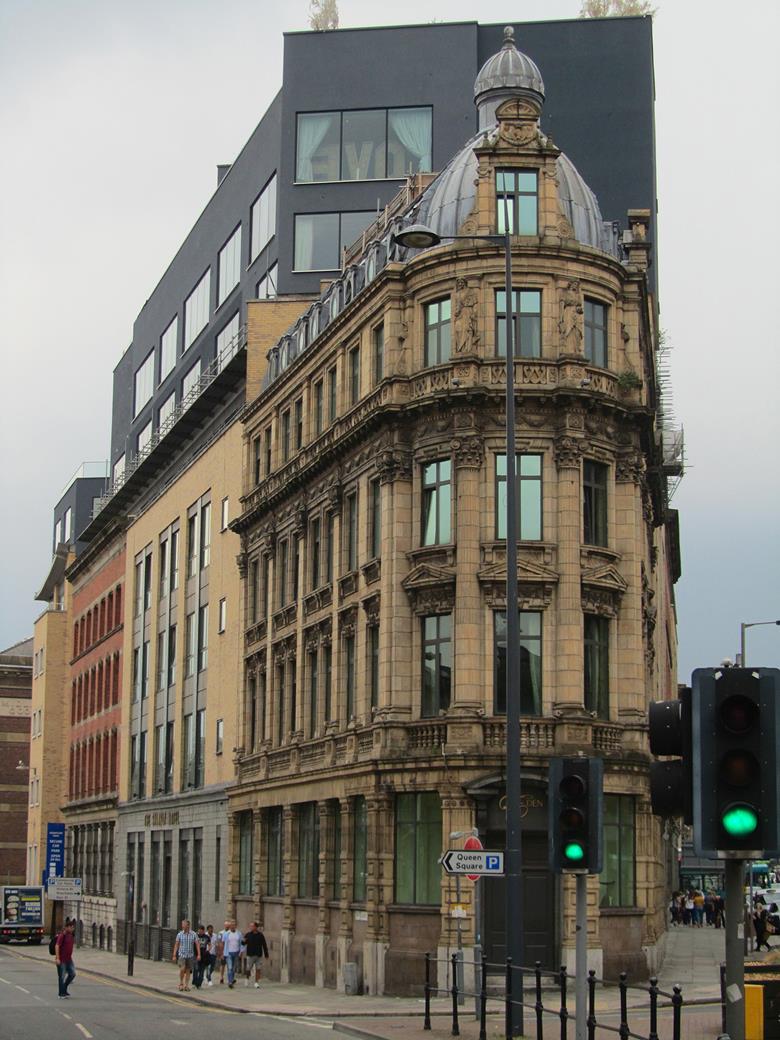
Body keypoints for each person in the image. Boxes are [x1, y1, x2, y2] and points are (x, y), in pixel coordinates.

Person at [172, 919, 200, 991]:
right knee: (182, 969)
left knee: (188, 970)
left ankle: (186, 985)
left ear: (188, 925)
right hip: (182, 955)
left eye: (184, 924)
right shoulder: (179, 934)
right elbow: (176, 945)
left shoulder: (194, 934)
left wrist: (199, 954)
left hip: (190, 955)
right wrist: (174, 955)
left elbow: (197, 944)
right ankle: (181, 983)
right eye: (182, 924)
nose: (182, 926)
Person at [55, 918, 76, 998]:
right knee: (62, 976)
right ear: (67, 927)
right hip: (62, 959)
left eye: (73, 927)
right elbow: (57, 946)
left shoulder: (71, 935)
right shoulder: (62, 935)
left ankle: (64, 988)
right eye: (71, 927)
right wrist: (57, 958)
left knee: (72, 974)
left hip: (69, 959)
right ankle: (61, 994)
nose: (72, 929)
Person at [244, 922, 269, 988]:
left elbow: (264, 945)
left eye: (252, 926)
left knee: (258, 969)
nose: (251, 927)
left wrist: (266, 954)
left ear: (255, 927)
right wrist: (243, 941)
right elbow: (243, 943)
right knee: (248, 968)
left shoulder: (260, 935)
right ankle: (247, 979)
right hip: (250, 954)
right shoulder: (248, 935)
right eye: (250, 926)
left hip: (258, 955)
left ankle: (256, 982)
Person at [222, 920, 243, 988]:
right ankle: (230, 982)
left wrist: (241, 952)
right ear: (229, 926)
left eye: (234, 925)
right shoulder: (226, 934)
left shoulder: (239, 934)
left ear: (236, 926)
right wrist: (222, 953)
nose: (232, 926)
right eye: (231, 925)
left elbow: (242, 943)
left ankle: (232, 979)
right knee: (230, 968)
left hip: (236, 952)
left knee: (234, 968)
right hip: (228, 953)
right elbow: (223, 943)